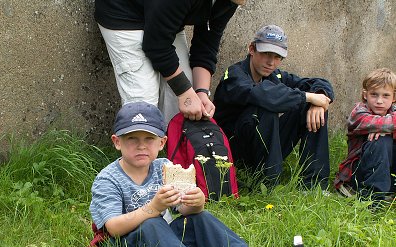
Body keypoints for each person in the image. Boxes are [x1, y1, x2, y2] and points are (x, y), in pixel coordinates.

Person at [89, 101, 284, 247]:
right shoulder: (108, 179)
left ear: (162, 142)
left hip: (165, 245)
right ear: (117, 142)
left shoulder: (164, 167)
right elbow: (113, 227)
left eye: (149, 139)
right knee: (152, 223)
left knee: (200, 218)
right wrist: (153, 208)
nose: (141, 145)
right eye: (131, 139)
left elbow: (181, 210)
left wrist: (196, 204)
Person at [213, 25, 334, 190]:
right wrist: (308, 96)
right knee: (266, 107)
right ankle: (269, 183)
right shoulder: (234, 75)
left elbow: (317, 82)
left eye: (277, 57)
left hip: (265, 145)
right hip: (235, 150)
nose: (271, 62)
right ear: (252, 49)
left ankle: (313, 184)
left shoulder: (274, 76)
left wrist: (318, 97)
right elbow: (263, 95)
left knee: (310, 108)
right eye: (266, 54)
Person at [94, 0, 247, 123]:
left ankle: (168, 154)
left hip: (163, 16)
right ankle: (137, 158)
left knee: (185, 90)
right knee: (144, 105)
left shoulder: (231, 1)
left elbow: (206, 44)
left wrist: (201, 93)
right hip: (123, 14)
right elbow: (156, 44)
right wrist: (186, 94)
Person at [334, 68, 396, 201]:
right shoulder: (358, 113)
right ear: (365, 95)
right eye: (374, 94)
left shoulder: (393, 112)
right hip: (358, 174)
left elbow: (387, 124)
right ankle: (374, 197)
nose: (379, 101)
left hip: (386, 170)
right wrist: (384, 128)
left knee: (386, 138)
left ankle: (389, 188)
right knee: (381, 141)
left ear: (394, 97)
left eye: (386, 95)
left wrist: (386, 128)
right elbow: (375, 123)